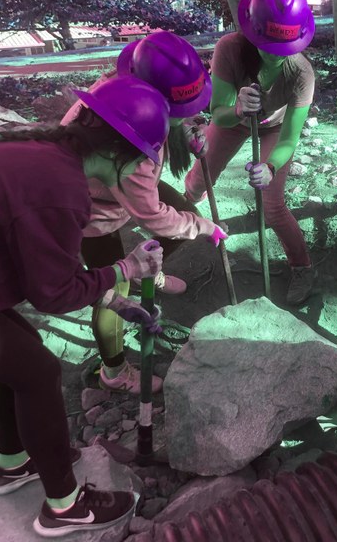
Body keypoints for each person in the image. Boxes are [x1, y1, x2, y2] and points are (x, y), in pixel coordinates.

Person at [0, 76, 167, 537]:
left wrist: (114, 295)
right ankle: (64, 507)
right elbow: (54, 294)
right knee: (38, 371)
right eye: (144, 159)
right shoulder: (60, 186)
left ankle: (13, 464)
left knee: (21, 350)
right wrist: (127, 268)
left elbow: (44, 265)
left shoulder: (45, 150)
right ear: (123, 155)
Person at [62, 30, 227, 394]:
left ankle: (149, 274)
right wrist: (203, 227)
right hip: (91, 211)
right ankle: (114, 370)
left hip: (114, 184)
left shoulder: (127, 88)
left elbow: (160, 122)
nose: (190, 113)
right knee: (111, 290)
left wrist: (184, 129)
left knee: (181, 214)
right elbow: (151, 216)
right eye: (180, 110)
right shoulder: (131, 157)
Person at [182, 0, 317, 305]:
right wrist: (239, 109)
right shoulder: (230, 49)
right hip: (233, 119)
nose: (275, 55)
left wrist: (270, 166)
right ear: (253, 31)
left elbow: (289, 139)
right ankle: (183, 216)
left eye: (285, 48)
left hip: (273, 129)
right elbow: (219, 114)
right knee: (198, 180)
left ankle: (302, 266)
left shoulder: (302, 74)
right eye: (268, 45)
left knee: (272, 204)